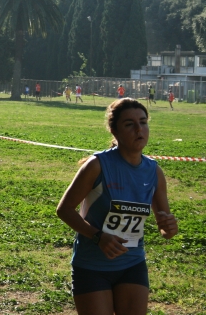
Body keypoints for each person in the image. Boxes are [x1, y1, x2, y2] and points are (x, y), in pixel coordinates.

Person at [57, 98, 178, 315]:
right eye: (129, 124)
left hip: (132, 264)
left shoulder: (154, 172)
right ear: (114, 131)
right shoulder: (96, 166)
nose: (139, 129)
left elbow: (165, 227)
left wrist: (169, 227)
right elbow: (64, 210)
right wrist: (98, 237)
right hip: (92, 266)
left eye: (143, 122)